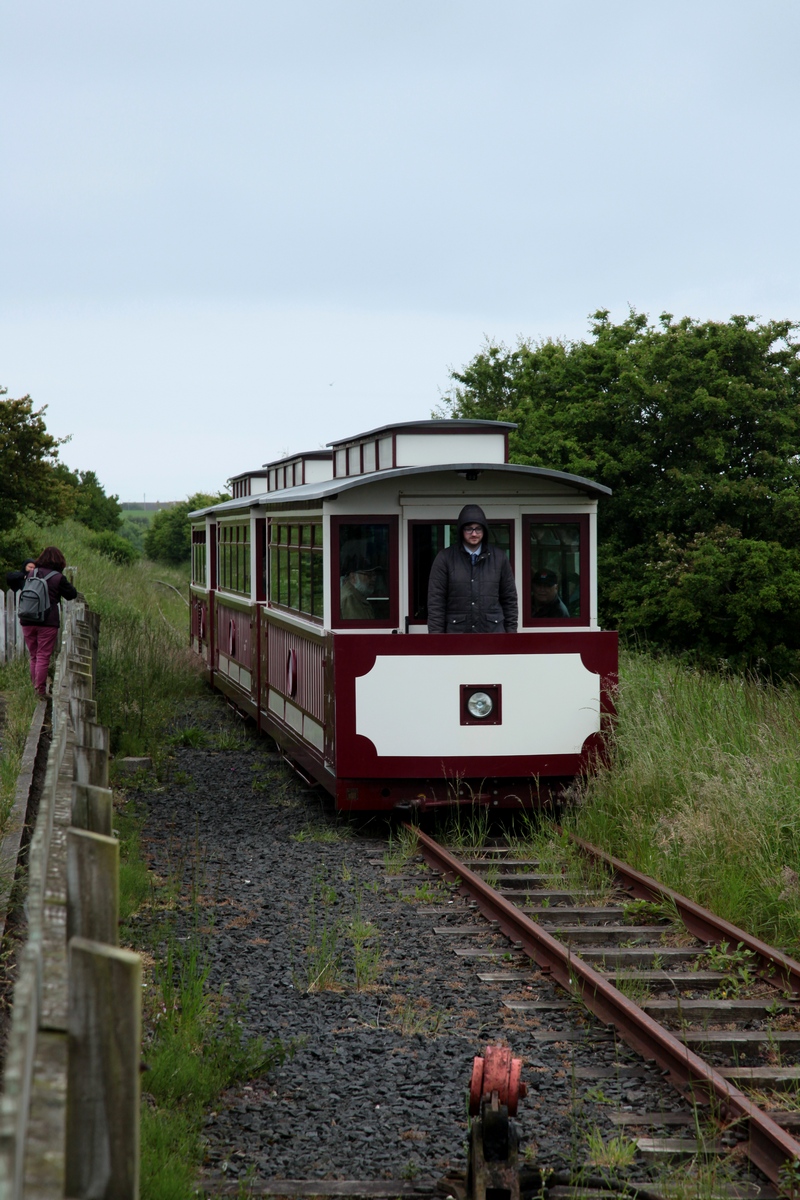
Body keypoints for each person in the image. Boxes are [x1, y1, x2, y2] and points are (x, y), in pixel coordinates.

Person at [427, 504, 518, 633]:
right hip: (456, 636)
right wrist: (436, 639)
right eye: (469, 529)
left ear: (484, 530)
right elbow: (436, 602)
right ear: (461, 530)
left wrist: (511, 634)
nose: (474, 533)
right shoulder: (444, 558)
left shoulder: (499, 557)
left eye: (478, 529)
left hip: (493, 635)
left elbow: (510, 599)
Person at [6, 547, 77, 697]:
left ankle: (35, 687)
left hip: (28, 619)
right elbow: (72, 594)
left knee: (34, 656)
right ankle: (40, 690)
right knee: (43, 655)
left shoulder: (32, 573)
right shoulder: (58, 578)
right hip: (47, 621)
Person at [340, 554, 378, 620]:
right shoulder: (350, 598)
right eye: (369, 575)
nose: (373, 578)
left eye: (374, 574)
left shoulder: (356, 595)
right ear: (353, 577)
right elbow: (358, 628)